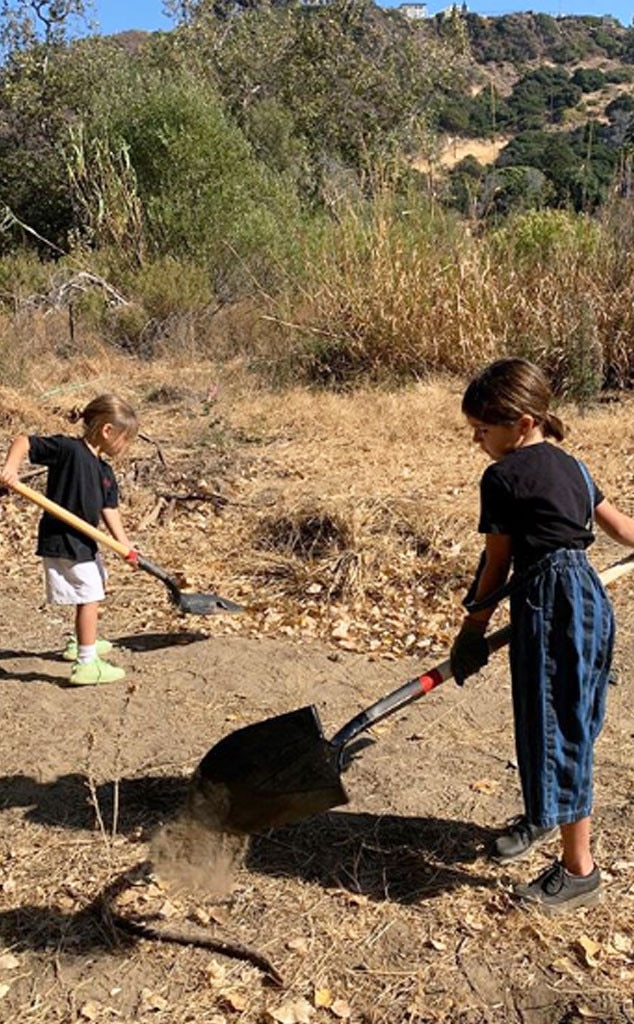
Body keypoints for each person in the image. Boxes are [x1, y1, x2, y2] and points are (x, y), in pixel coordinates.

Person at [450, 357, 634, 914]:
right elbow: (625, 530)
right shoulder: (575, 467)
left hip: (550, 603)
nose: (477, 438)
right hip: (587, 601)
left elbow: (496, 564)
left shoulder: (501, 478)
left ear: (523, 421)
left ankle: (580, 871)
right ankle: (541, 817)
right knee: (564, 720)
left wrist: (472, 630)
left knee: (559, 728)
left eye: (485, 428)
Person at [1, 394, 138, 686]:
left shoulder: (105, 471)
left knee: (99, 580)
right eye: (126, 440)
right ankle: (87, 663)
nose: (126, 448)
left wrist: (124, 545)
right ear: (107, 431)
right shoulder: (69, 450)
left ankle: (81, 641)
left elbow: (109, 509)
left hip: (85, 539)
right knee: (90, 595)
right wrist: (11, 467)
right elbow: (24, 440)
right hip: (63, 536)